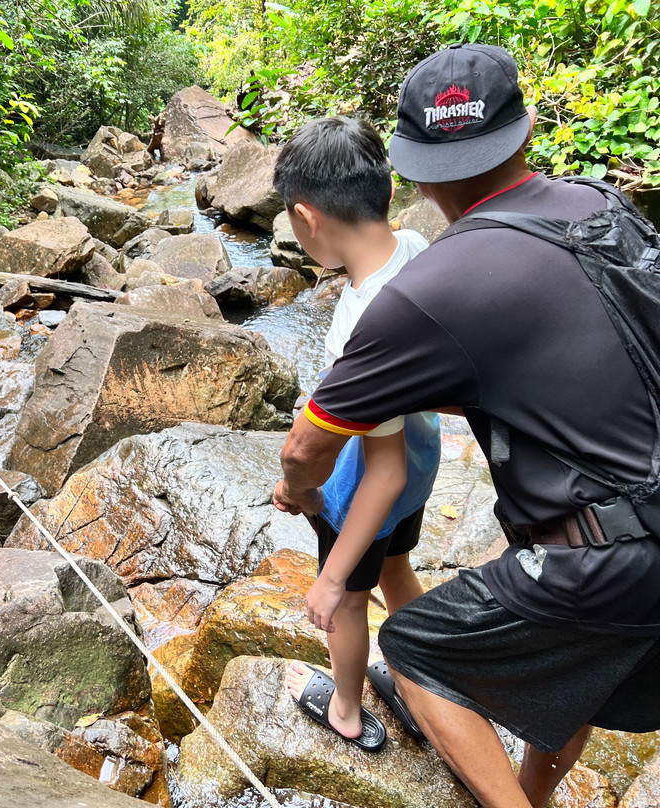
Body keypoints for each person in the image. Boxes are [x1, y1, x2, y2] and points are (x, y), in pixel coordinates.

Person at [272, 43, 660, 808]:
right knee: (564, 673)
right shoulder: (603, 204)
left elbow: (308, 446)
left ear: (414, 171)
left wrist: (300, 492)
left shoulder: (428, 292)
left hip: (612, 563)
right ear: (531, 128)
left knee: (413, 648)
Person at [272, 117, 441, 752]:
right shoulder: (420, 250)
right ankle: (424, 675)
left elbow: (381, 468)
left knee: (349, 600)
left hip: (376, 482)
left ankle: (345, 708)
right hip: (423, 462)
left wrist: (333, 576)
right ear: (388, 191)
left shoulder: (361, 320)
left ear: (306, 217)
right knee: (396, 567)